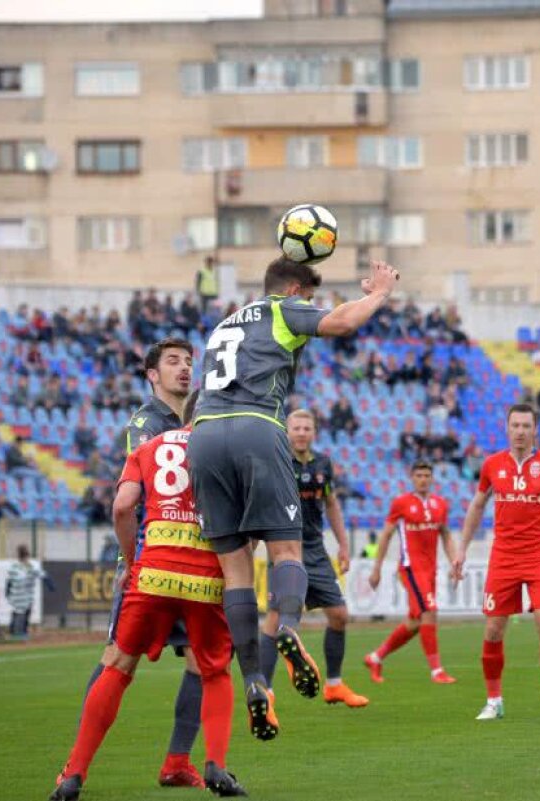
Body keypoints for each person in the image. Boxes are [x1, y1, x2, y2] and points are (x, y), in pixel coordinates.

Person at [188, 257, 400, 740]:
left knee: (236, 569)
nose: (307, 305)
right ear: (293, 288)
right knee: (286, 550)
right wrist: (379, 293)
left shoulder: (223, 326)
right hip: (256, 427)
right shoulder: (282, 308)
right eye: (306, 296)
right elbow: (342, 322)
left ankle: (255, 682)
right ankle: (287, 626)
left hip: (203, 433)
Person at [48, 404, 246, 801]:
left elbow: (122, 507)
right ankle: (216, 766)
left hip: (153, 572)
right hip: (203, 578)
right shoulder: (226, 451)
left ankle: (73, 774)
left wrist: (133, 561)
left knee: (118, 666)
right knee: (215, 671)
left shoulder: (148, 447)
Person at [77, 336, 206, 788]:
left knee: (201, 661)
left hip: (182, 558)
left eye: (189, 361)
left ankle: (177, 762)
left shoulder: (187, 421)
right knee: (117, 661)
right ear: (152, 375)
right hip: (151, 559)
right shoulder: (146, 424)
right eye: (173, 361)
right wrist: (129, 563)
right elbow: (131, 501)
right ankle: (78, 763)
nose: (184, 368)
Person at [451, 404, 540, 721]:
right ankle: (493, 701)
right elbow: (476, 507)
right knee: (493, 630)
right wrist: (461, 549)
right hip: (503, 556)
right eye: (515, 425)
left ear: (535, 430)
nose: (520, 431)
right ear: (507, 428)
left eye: (526, 426)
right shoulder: (492, 465)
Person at [257, 410, 368, 707]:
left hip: (316, 551)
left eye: (307, 427)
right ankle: (264, 689)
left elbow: (330, 503)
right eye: (296, 427)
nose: (302, 432)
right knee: (275, 620)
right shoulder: (277, 462)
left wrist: (343, 545)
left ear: (315, 432)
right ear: (287, 431)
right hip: (283, 548)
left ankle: (334, 685)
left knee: (339, 615)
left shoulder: (323, 465)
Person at [365, 460, 457, 685]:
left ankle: (376, 657)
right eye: (419, 475)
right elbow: (386, 535)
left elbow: (445, 534)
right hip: (410, 568)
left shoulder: (440, 504)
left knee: (416, 622)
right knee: (429, 613)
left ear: (432, 478)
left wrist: (454, 562)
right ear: (412, 478)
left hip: (430, 570)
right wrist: (376, 569)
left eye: (427, 475)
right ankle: (437, 671)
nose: (423, 479)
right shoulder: (401, 503)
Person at [5, 544, 44, 641]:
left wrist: (7, 592)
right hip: (23, 595)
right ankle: (19, 633)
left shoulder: (14, 566)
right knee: (22, 613)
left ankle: (15, 631)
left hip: (17, 595)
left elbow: (9, 581)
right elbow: (39, 574)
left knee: (19, 612)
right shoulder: (28, 566)